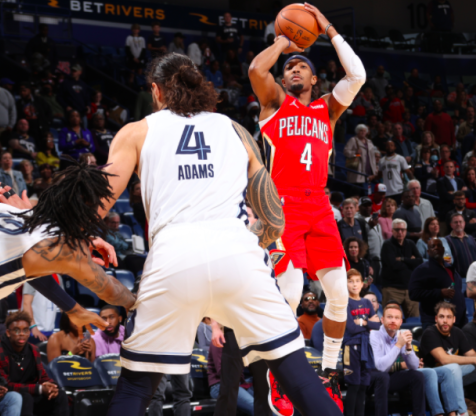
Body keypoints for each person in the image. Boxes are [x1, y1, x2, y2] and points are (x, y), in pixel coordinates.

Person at [100, 52, 344, 416]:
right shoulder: (234, 129)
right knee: (300, 379)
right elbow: (273, 217)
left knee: (136, 387)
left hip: (173, 260)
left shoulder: (136, 131)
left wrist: (85, 234)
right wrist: (244, 244)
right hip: (239, 257)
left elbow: (97, 204)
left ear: (156, 91)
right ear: (200, 86)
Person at [0, 158, 132, 414]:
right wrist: (139, 302)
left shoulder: (5, 211)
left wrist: (73, 307)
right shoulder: (63, 250)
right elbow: (112, 291)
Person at [249, 3, 366, 410]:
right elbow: (256, 70)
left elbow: (357, 75)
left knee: (339, 293)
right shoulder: (274, 102)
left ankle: (330, 372)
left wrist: (329, 29)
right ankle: (284, 375)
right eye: (289, 68)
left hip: (318, 204)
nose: (293, 70)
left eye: (301, 66)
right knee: (292, 291)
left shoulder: (327, 109)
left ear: (315, 79)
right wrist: (283, 41)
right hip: (282, 205)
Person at [419, 302, 476, 416]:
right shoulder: (430, 333)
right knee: (454, 367)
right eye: (441, 317)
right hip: (435, 377)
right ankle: (462, 412)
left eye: (449, 317)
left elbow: (471, 354)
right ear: (436, 319)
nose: (445, 321)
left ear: (454, 319)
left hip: (453, 376)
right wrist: (475, 360)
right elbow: (444, 359)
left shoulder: (457, 332)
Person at [0, 311, 69, 416]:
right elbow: (5, 385)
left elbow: (43, 376)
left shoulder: (33, 349)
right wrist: (39, 389)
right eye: (16, 330)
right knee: (26, 397)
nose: (21, 334)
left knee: (60, 394)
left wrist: (51, 386)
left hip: (32, 392)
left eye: (25, 330)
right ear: (8, 332)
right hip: (11, 397)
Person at [370, 303, 431, 416]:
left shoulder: (400, 335)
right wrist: (399, 345)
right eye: (389, 317)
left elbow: (414, 366)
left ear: (401, 322)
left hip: (388, 377)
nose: (393, 320)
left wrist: (408, 347)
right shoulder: (374, 335)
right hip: (370, 378)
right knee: (383, 377)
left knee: (417, 376)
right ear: (382, 320)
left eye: (397, 318)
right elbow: (380, 367)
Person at [343, 269, 381, 416]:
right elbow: (351, 328)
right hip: (351, 346)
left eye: (357, 281)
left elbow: (377, 325)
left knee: (363, 386)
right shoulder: (345, 303)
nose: (354, 284)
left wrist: (362, 321)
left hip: (366, 346)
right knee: (354, 385)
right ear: (345, 283)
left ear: (362, 283)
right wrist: (368, 322)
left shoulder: (366, 302)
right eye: (350, 281)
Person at [410, 238, 465, 329]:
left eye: (439, 245)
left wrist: (463, 318)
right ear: (428, 252)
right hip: (433, 321)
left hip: (456, 321)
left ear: (443, 249)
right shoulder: (422, 269)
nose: (436, 248)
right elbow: (413, 294)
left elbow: (459, 295)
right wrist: (439, 293)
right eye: (433, 246)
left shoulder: (451, 269)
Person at [380, 218, 423, 317]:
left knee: (414, 319)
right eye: (397, 230)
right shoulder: (387, 245)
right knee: (391, 318)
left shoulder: (410, 243)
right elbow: (393, 265)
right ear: (392, 231)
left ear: (406, 231)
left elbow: (419, 262)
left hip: (410, 289)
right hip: (392, 289)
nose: (400, 232)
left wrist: (403, 259)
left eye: (402, 230)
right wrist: (411, 261)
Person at [446, 213, 476, 280]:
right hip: (459, 279)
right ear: (451, 225)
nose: (458, 224)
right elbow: (447, 261)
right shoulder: (447, 240)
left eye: (460, 222)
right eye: (456, 222)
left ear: (464, 223)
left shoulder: (471, 238)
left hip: (475, 277)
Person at [357, 196, 383, 262]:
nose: (367, 207)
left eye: (369, 205)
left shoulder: (374, 218)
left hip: (380, 255)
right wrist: (369, 226)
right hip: (369, 257)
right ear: (359, 207)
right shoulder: (357, 220)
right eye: (365, 205)